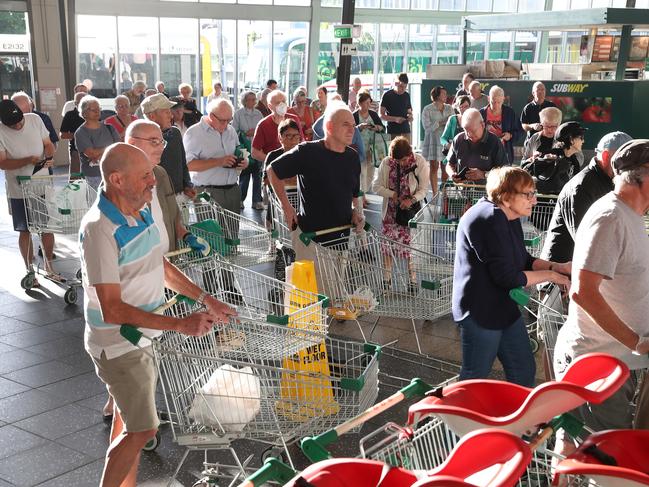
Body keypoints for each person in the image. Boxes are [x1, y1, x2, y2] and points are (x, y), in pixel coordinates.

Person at [80, 142, 235, 487]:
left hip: (141, 337)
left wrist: (206, 299)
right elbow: (113, 308)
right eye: (146, 175)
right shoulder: (99, 229)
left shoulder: (141, 208)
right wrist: (181, 324)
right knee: (143, 428)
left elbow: (158, 265)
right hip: (119, 345)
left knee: (128, 423)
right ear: (117, 180)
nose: (154, 181)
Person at [553, 139, 649, 448]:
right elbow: (584, 293)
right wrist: (637, 343)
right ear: (643, 177)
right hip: (597, 362)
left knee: (573, 442)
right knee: (607, 457)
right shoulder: (610, 217)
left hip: (613, 360)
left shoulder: (631, 217)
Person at [453, 166, 571, 386]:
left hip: (502, 308)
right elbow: (507, 277)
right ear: (506, 197)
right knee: (474, 378)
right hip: (481, 312)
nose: (534, 201)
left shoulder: (508, 216)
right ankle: (454, 418)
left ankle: (518, 418)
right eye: (528, 195)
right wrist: (551, 276)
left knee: (524, 369)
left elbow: (522, 259)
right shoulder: (489, 217)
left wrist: (557, 267)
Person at [267, 101, 364, 290]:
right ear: (329, 127)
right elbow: (273, 171)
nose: (352, 130)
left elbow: (351, 195)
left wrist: (355, 213)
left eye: (353, 125)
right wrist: (287, 208)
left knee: (335, 297)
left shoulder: (352, 157)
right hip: (311, 239)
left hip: (341, 239)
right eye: (345, 124)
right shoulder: (308, 151)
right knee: (313, 302)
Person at [541, 131, 632, 265]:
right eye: (625, 161)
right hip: (560, 274)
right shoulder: (582, 186)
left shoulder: (609, 181)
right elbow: (584, 239)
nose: (628, 168)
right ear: (606, 156)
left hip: (580, 268)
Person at [0, 100, 57, 283]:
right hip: (19, 188)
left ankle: (49, 265)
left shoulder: (34, 120)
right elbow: (2, 163)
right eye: (13, 124)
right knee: (24, 230)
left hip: (41, 183)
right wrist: (26, 160)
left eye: (19, 121)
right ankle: (29, 268)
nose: (18, 125)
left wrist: (48, 157)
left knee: (46, 227)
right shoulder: (1, 131)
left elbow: (49, 144)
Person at [373, 137, 429, 290]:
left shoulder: (420, 162)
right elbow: (376, 187)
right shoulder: (387, 163)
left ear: (409, 153)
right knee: (387, 247)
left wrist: (411, 200)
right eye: (397, 160)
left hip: (410, 213)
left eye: (403, 160)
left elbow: (424, 189)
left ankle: (412, 281)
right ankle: (387, 281)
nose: (401, 163)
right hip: (391, 212)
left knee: (411, 247)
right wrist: (393, 195)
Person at [184, 98, 246, 220]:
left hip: (233, 190)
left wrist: (244, 161)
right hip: (207, 193)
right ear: (211, 116)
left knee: (233, 236)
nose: (226, 124)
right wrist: (219, 161)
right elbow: (188, 165)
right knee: (211, 236)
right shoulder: (194, 133)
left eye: (229, 120)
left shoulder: (231, 130)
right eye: (223, 120)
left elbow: (240, 151)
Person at [142, 94, 195, 205]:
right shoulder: (141, 140)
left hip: (179, 197)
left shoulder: (175, 133)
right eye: (166, 112)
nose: (171, 116)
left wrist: (187, 185)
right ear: (152, 116)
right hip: (156, 199)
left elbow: (182, 163)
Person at [523, 121, 584, 197]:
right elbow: (525, 170)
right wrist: (544, 161)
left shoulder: (574, 161)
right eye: (581, 138)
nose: (583, 141)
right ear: (571, 140)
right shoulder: (549, 157)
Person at [446, 108, 506, 184]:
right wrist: (452, 174)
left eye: (473, 131)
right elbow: (449, 164)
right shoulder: (458, 139)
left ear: (483, 125)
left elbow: (504, 171)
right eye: (466, 130)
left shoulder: (494, 142)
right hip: (463, 191)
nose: (469, 135)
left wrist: (483, 174)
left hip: (488, 191)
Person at [75, 95, 121, 189]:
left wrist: (100, 154)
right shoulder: (81, 132)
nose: (97, 111)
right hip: (94, 175)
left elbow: (119, 148)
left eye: (98, 109)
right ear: (84, 113)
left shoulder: (110, 128)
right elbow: (91, 153)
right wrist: (110, 148)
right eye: (93, 109)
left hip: (113, 172)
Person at [251, 89, 303, 166]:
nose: (282, 105)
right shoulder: (263, 124)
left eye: (284, 101)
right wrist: (274, 161)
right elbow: (255, 153)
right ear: (270, 106)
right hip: (273, 168)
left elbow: (302, 141)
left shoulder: (294, 119)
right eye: (278, 103)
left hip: (294, 164)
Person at [233, 91, 264, 210]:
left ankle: (257, 201)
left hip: (257, 147)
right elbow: (234, 130)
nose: (252, 101)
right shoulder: (238, 114)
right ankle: (240, 199)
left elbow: (262, 129)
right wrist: (245, 133)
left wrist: (255, 132)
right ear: (244, 101)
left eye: (253, 99)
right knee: (244, 175)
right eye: (249, 99)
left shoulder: (258, 113)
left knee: (257, 175)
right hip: (244, 147)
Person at [354, 91, 385, 206]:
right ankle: (361, 197)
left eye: (369, 103)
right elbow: (351, 131)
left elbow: (382, 128)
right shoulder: (354, 115)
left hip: (373, 148)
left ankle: (364, 193)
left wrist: (376, 127)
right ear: (360, 103)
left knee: (371, 173)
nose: (368, 105)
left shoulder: (373, 114)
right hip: (359, 148)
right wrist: (359, 128)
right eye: (366, 103)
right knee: (361, 172)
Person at [421, 86, 454, 195]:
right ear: (437, 95)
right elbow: (427, 128)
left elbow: (453, 123)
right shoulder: (427, 109)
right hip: (433, 141)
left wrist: (447, 123)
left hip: (446, 142)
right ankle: (435, 193)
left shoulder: (450, 108)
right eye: (444, 94)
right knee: (434, 167)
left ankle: (444, 192)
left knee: (445, 166)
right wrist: (440, 123)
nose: (446, 95)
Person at [479, 85, 521, 165]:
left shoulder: (510, 112)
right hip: (485, 151)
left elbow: (519, 131)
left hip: (504, 152)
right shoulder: (481, 113)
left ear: (503, 99)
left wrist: (510, 135)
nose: (496, 105)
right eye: (493, 102)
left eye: (499, 102)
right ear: (488, 99)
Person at [440, 95, 471, 186]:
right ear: (457, 107)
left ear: (470, 107)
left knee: (466, 183)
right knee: (449, 180)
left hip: (468, 156)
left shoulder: (473, 118)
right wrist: (448, 145)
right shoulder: (453, 119)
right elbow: (443, 138)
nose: (464, 109)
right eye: (461, 106)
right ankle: (445, 197)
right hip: (454, 155)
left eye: (466, 106)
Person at [380, 73, 413, 143]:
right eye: (401, 86)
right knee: (395, 152)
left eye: (405, 87)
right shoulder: (387, 95)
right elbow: (381, 115)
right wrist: (395, 119)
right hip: (393, 131)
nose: (403, 89)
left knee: (407, 152)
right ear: (396, 83)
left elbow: (409, 112)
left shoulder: (406, 95)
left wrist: (410, 116)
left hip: (406, 130)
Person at [60, 91, 86, 176]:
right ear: (75, 103)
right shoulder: (70, 115)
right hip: (76, 150)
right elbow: (62, 135)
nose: (83, 105)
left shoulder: (94, 114)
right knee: (76, 179)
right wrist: (79, 135)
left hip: (94, 150)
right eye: (80, 102)